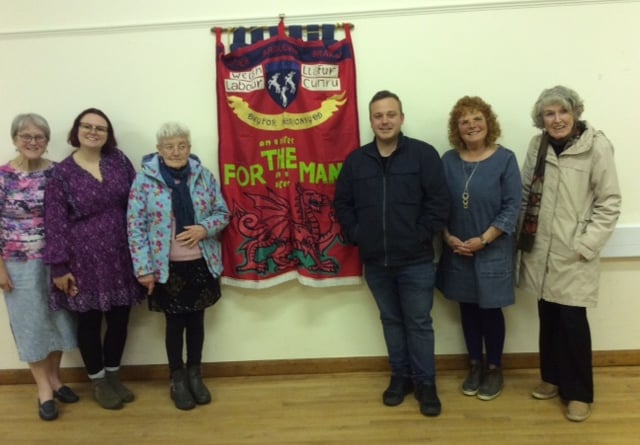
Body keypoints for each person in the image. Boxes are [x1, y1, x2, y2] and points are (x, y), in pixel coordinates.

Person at [334, 90, 450, 417]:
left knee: (418, 323)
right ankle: (401, 378)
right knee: (391, 321)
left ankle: (426, 383)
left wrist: (419, 236)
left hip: (416, 261)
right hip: (376, 262)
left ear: (401, 117)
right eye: (378, 116)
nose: (384, 121)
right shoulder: (357, 161)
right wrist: (358, 235)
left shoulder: (423, 155)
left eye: (390, 114)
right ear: (371, 120)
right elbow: (342, 203)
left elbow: (439, 203)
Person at [518, 86, 621, 422]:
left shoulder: (596, 146)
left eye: (562, 112)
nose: (557, 119)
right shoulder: (538, 146)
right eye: (549, 113)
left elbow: (609, 202)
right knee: (548, 319)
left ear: (575, 112)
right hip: (541, 251)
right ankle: (552, 378)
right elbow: (524, 193)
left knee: (573, 323)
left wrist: (587, 244)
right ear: (542, 119)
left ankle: (578, 394)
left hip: (574, 253)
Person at [44, 108, 145, 410]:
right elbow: (55, 222)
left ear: (107, 134)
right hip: (82, 261)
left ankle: (113, 376)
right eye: (86, 126)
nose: (93, 132)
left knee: (119, 319)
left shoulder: (119, 161)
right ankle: (98, 381)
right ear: (76, 131)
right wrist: (59, 267)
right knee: (88, 322)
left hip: (122, 255)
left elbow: (138, 201)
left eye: (100, 128)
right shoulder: (60, 174)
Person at [127, 122, 229, 410]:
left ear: (189, 147)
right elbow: (135, 227)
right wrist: (143, 269)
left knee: (197, 321)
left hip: (200, 263)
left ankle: (195, 375)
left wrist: (203, 228)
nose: (176, 151)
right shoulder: (144, 181)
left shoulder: (203, 176)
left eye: (182, 145)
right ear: (159, 150)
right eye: (169, 146)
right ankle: (177, 379)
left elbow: (222, 212)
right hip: (166, 268)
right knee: (174, 324)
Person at [436, 96, 522, 401]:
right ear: (456, 128)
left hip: (492, 249)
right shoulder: (448, 161)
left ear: (489, 123)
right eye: (464, 121)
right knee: (468, 310)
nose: (471, 125)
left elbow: (513, 206)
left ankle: (495, 368)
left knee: (490, 311)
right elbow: (438, 204)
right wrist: (447, 237)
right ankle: (474, 365)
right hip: (457, 249)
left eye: (477, 119)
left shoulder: (505, 159)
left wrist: (484, 239)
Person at [0, 113, 78, 421]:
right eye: (26, 137)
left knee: (59, 321)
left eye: (39, 137)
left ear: (47, 142)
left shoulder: (58, 173)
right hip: (17, 264)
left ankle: (56, 379)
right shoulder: (3, 176)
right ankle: (43, 389)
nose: (33, 142)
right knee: (31, 325)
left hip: (56, 261)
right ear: (15, 140)